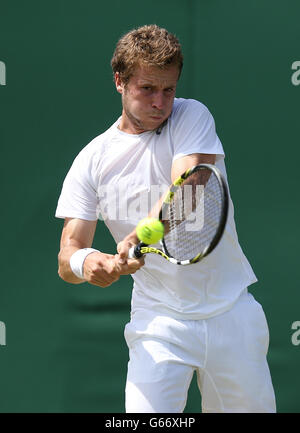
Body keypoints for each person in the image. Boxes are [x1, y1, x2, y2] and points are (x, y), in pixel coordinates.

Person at [56, 24, 276, 413]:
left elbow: (190, 186)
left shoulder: (192, 115)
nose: (161, 102)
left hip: (232, 316)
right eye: (148, 89)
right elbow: (68, 254)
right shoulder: (92, 161)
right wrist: (93, 263)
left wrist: (140, 236)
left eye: (168, 89)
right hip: (158, 323)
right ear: (119, 81)